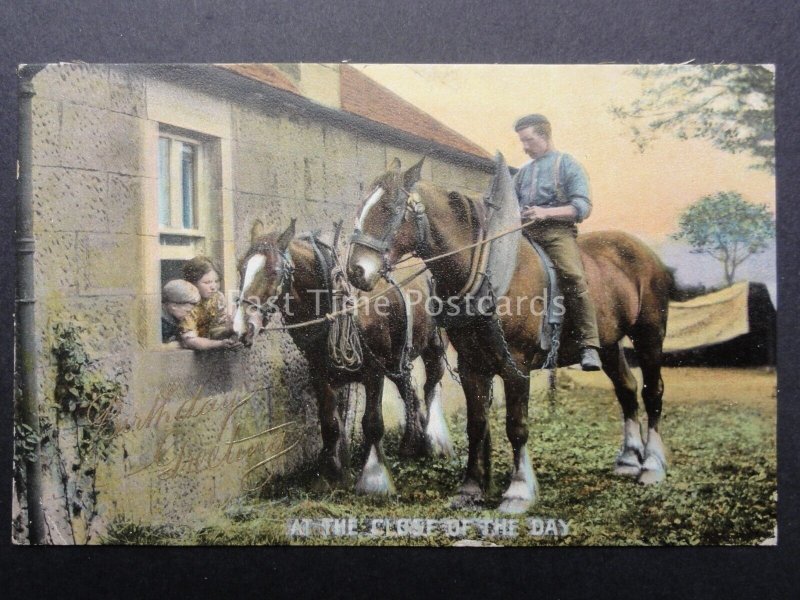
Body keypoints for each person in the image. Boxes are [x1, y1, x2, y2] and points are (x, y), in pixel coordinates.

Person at [512, 113, 601, 370]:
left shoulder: (567, 164)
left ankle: (589, 345)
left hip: (556, 234)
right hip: (524, 233)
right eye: (522, 141)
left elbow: (582, 207)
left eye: (528, 140)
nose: (525, 147)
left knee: (572, 276)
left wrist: (545, 213)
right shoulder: (522, 173)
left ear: (545, 136)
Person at [180, 256, 241, 350]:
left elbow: (216, 329)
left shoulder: (217, 298)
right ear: (193, 283)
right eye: (207, 282)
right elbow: (189, 341)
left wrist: (230, 331)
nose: (213, 287)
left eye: (216, 281)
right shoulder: (186, 304)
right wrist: (218, 344)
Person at [161, 279, 200, 345]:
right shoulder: (159, 324)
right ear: (174, 306)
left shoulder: (175, 316)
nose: (189, 315)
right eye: (187, 311)